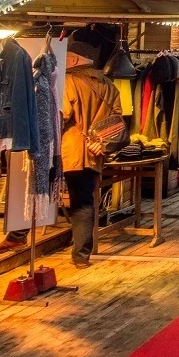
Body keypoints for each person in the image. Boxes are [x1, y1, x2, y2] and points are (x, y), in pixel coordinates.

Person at [59, 35, 124, 267]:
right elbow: (117, 119)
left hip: (71, 150)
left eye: (65, 58)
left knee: (73, 202)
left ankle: (17, 237)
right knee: (85, 201)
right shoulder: (109, 85)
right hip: (94, 152)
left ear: (75, 60)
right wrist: (101, 141)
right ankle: (81, 255)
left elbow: (62, 116)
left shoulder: (69, 82)